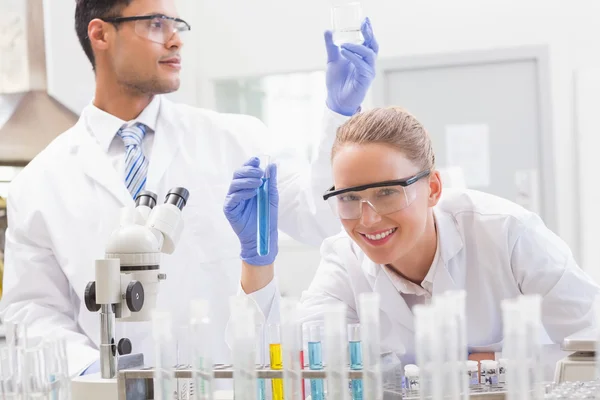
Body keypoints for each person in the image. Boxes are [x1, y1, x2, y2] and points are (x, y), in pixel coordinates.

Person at [0, 0, 380, 376]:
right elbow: (32, 310)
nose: (175, 40)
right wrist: (91, 373)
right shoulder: (38, 184)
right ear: (100, 34)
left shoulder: (237, 138)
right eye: (155, 24)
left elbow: (319, 217)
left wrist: (340, 114)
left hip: (224, 385)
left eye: (177, 25)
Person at [223, 106, 600, 362]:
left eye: (387, 192)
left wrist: (500, 365)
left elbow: (593, 346)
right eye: (349, 197)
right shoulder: (342, 260)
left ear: (433, 188)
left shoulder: (508, 234)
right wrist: (257, 263)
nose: (368, 219)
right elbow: (286, 364)